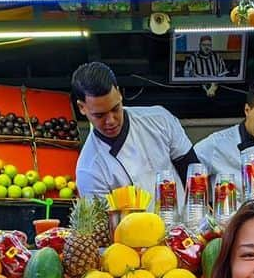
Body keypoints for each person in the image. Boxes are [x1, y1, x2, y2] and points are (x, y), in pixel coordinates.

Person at [71, 61, 199, 200]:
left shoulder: (160, 120)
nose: (111, 121)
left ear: (119, 93)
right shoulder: (89, 170)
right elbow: (102, 221)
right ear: (81, 108)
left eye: (115, 109)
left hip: (183, 219)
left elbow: (193, 172)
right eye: (99, 115)